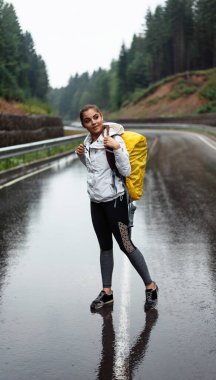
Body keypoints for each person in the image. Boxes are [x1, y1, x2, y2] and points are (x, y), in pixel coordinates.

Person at [75, 104, 158, 311]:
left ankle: (151, 286)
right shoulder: (88, 142)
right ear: (83, 124)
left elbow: (125, 169)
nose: (93, 122)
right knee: (104, 247)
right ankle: (107, 293)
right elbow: (96, 171)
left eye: (96, 117)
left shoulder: (114, 139)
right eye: (88, 120)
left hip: (115, 203)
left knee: (126, 245)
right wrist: (81, 157)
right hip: (96, 203)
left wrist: (117, 148)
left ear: (101, 116)